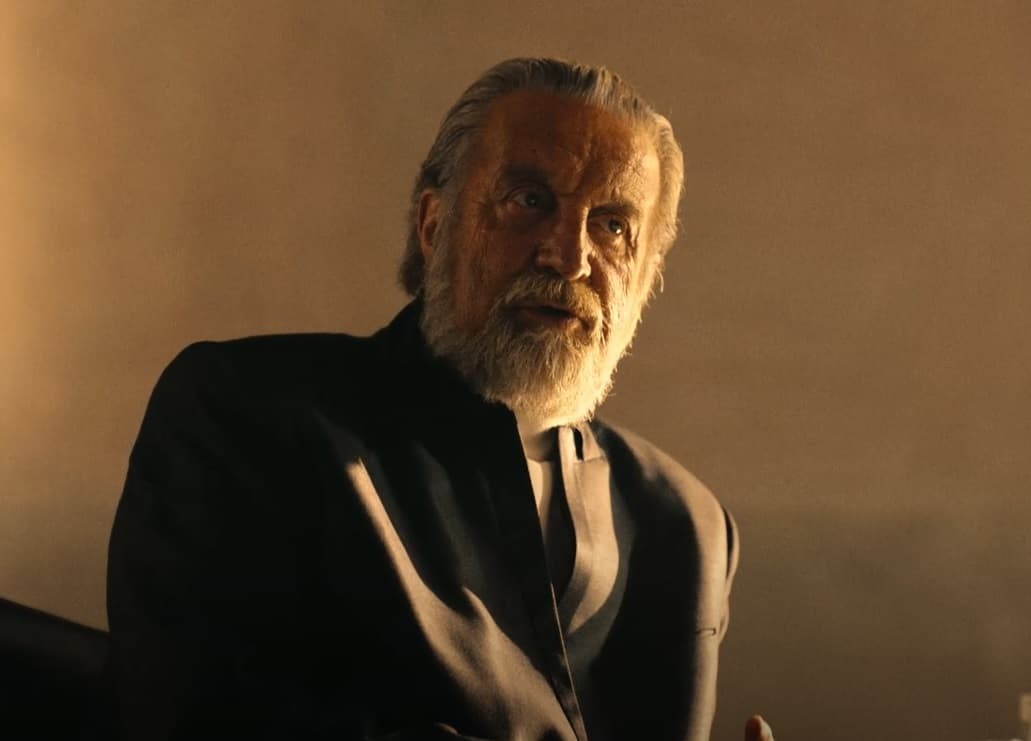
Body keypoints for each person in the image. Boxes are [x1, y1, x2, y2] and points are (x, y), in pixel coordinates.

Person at [100, 57, 774, 741]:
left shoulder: (687, 525)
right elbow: (199, 717)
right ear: (432, 225)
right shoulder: (248, 414)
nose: (569, 257)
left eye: (613, 226)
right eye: (529, 201)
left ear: (646, 277)